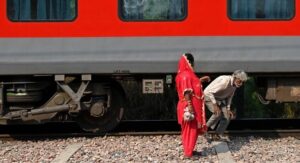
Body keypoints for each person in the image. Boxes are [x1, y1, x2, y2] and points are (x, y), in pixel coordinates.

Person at [175, 53, 210, 158]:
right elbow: (187, 92)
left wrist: (200, 80)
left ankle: (189, 150)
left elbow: (191, 86)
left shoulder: (182, 75)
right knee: (190, 130)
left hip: (184, 105)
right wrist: (190, 106)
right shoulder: (186, 75)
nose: (193, 65)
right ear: (189, 62)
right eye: (192, 63)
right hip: (189, 106)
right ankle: (188, 153)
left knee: (188, 130)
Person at [204, 70, 248, 140]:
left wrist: (228, 109)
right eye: (240, 81)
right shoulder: (224, 81)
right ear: (235, 77)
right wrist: (215, 105)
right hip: (209, 96)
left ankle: (217, 135)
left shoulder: (234, 85)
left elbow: (229, 97)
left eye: (242, 82)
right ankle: (204, 130)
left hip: (219, 99)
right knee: (218, 113)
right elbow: (209, 92)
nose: (241, 83)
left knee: (227, 116)